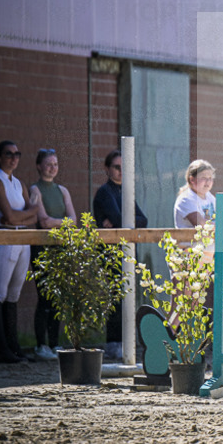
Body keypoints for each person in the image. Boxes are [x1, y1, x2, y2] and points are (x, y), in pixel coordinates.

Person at [0, 140, 40, 363]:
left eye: (17, 154)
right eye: (8, 154)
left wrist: (22, 217)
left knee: (14, 293)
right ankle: (1, 349)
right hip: (5, 237)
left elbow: (34, 215)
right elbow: (8, 216)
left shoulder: (19, 184)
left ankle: (14, 347)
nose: (13, 158)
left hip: (22, 238)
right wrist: (26, 214)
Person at [92, 149, 148, 361]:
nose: (121, 171)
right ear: (107, 169)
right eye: (117, 167)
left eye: (124, 168)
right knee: (116, 298)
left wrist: (122, 221)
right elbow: (119, 218)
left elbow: (143, 220)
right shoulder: (105, 192)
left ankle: (126, 341)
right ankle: (113, 343)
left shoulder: (126, 191)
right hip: (111, 253)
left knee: (128, 298)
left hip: (128, 252)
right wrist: (121, 221)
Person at [28, 148, 77, 360]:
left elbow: (74, 220)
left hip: (60, 249)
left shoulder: (63, 190)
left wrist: (57, 222)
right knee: (44, 297)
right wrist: (62, 222)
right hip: (42, 249)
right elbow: (43, 221)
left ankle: (54, 343)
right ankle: (41, 345)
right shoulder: (35, 189)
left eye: (55, 164)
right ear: (39, 166)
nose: (52, 168)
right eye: (48, 164)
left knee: (57, 298)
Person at [173, 160, 216, 229]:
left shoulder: (209, 197)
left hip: (212, 235)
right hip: (190, 236)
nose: (208, 181)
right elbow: (201, 225)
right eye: (203, 178)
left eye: (210, 178)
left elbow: (222, 219)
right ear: (192, 179)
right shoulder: (186, 199)